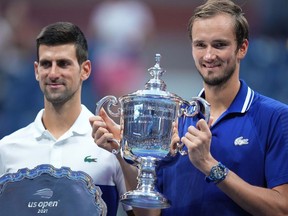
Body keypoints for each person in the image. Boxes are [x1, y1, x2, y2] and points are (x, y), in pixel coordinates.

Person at [89, 0, 288, 215]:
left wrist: (210, 166)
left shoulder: (275, 117)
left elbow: (282, 208)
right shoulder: (177, 121)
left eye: (219, 45)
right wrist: (123, 152)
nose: (209, 55)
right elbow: (149, 214)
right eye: (200, 45)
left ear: (242, 48)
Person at [0, 21, 133, 216]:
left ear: (85, 70)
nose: (53, 73)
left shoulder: (110, 146)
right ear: (37, 70)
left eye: (63, 63)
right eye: (46, 64)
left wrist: (121, 156)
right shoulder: (7, 148)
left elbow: (145, 213)